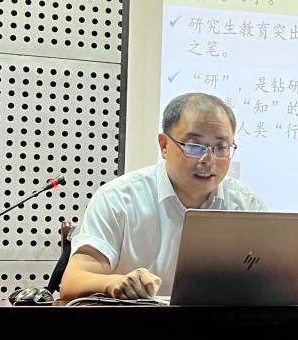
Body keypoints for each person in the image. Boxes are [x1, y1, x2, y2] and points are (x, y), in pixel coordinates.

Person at [59, 92, 265, 302]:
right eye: (194, 146)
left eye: (221, 147)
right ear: (164, 145)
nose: (208, 159)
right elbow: (72, 282)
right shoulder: (118, 199)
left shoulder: (247, 206)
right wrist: (114, 283)